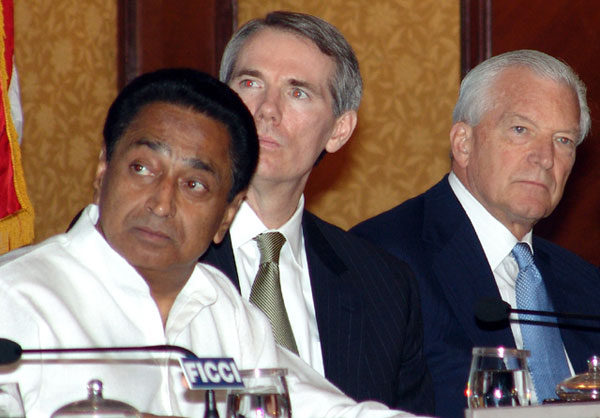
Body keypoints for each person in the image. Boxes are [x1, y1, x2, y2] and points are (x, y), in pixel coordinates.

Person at [0, 69, 426, 418]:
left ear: (227, 214)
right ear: (102, 171)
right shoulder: (18, 296)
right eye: (143, 168)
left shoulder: (221, 306)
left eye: (195, 184)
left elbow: (326, 410)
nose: (162, 203)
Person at [201, 11, 433, 414]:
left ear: (339, 130)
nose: (267, 109)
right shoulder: (163, 249)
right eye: (250, 83)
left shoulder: (385, 288)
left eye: (298, 92)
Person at [351, 49, 600, 418]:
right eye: (521, 130)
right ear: (463, 143)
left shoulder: (585, 283)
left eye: (563, 140)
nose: (545, 158)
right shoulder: (382, 257)